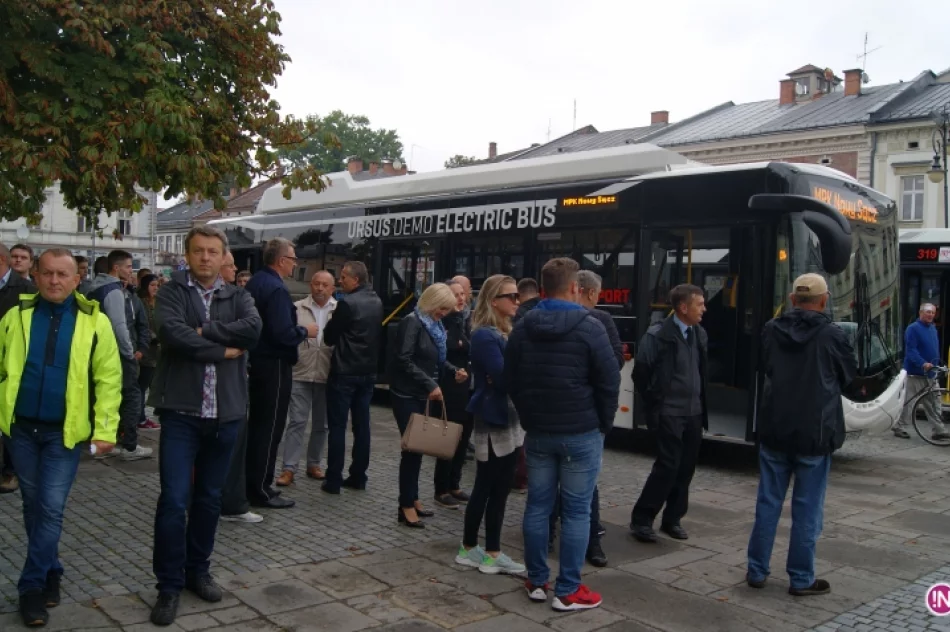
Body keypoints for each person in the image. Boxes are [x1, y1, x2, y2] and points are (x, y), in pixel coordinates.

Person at [147, 226, 262, 626]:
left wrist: (204, 332)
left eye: (213, 251)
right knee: (175, 500)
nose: (206, 258)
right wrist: (220, 350)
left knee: (210, 499)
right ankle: (168, 585)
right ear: (188, 254)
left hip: (226, 413)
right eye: (198, 251)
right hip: (181, 413)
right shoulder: (172, 291)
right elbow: (170, 333)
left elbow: (253, 330)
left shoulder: (239, 294)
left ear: (223, 256)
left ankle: (199, 570)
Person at [0, 249, 121, 627]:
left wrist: (105, 430)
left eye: (62, 275)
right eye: (48, 273)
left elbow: (109, 380)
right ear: (35, 275)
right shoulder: (14, 317)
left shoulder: (95, 322)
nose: (54, 281)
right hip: (21, 429)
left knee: (49, 508)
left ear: (75, 279)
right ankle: (51, 568)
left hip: (62, 435)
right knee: (33, 506)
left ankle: (31, 586)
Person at [505, 257, 619, 612]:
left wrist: (529, 415)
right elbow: (609, 381)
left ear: (541, 288)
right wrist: (603, 423)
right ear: (574, 287)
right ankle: (568, 590)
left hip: (538, 431)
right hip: (581, 432)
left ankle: (537, 580)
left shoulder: (523, 326)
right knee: (576, 511)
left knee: (537, 506)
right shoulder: (592, 326)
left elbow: (512, 379)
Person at [746, 274, 856, 597]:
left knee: (767, 503)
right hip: (815, 432)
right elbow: (849, 377)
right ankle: (801, 577)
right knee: (808, 508)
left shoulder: (771, 329)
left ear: (793, 299)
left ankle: (756, 570)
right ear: (824, 301)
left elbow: (765, 366)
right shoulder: (832, 335)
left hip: (775, 428)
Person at [546, 269, 623, 568]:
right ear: (588, 291)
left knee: (582, 485)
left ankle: (591, 540)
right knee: (563, 485)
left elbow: (614, 361)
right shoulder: (553, 318)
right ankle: (560, 536)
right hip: (569, 415)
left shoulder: (601, 321)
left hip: (583, 415)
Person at [455, 274, 526, 575]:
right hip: (495, 416)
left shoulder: (501, 332)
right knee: (493, 486)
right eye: (511, 296)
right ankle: (489, 553)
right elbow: (505, 379)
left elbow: (505, 376)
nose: (517, 301)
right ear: (494, 300)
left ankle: (471, 548)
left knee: (491, 485)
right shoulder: (486, 335)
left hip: (504, 414)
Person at [630, 284, 708, 544]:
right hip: (669, 413)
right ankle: (642, 519)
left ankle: (673, 519)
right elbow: (641, 373)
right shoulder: (657, 335)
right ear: (683, 308)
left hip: (693, 413)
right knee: (667, 466)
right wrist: (656, 405)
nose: (704, 309)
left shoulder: (699, 334)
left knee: (686, 468)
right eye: (700, 304)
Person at [244, 238, 317, 509]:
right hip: (273, 364)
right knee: (270, 427)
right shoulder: (275, 289)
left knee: (262, 426)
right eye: (293, 258)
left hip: (261, 362)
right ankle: (259, 488)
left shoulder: (257, 282)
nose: (295, 263)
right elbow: (281, 333)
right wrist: (304, 331)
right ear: (281, 260)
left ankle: (257, 483)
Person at [389, 283, 466, 527]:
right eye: (442, 308)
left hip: (423, 393)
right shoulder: (413, 322)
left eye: (447, 309)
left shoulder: (434, 325)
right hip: (408, 394)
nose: (444, 313)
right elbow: (403, 359)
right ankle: (406, 505)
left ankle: (412, 497)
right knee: (411, 450)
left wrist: (453, 371)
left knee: (419, 448)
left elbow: (436, 359)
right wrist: (430, 383)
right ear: (432, 303)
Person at [321, 261, 383, 494]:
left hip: (344, 371)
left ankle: (333, 479)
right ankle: (358, 476)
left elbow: (329, 337)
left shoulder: (347, 303)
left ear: (356, 280)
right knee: (362, 426)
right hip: (367, 372)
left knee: (337, 427)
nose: (340, 280)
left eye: (344, 277)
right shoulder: (376, 301)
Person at [87, 250, 152, 460]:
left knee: (106, 397)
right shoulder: (113, 291)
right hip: (117, 354)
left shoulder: (94, 288)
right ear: (116, 268)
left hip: (100, 352)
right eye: (127, 267)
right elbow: (119, 325)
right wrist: (130, 352)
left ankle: (102, 444)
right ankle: (130, 446)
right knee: (131, 397)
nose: (130, 271)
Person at [277, 271, 337, 486]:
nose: (320, 288)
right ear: (310, 285)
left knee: (322, 425)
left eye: (325, 285)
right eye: (316, 283)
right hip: (300, 372)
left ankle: (314, 463)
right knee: (296, 422)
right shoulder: (297, 307)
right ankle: (289, 468)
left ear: (332, 288)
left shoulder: (338, 310)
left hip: (326, 373)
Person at [432, 279, 473, 509]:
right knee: (447, 436)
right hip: (449, 384)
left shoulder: (466, 318)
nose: (461, 298)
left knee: (464, 435)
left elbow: (468, 345)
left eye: (462, 294)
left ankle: (455, 484)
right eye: (455, 294)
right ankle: (441, 488)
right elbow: (445, 349)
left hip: (467, 385)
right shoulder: (442, 321)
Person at [0, 243, 37, 494]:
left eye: (23, 257)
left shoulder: (26, 290)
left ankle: (10, 470)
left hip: (13, 366)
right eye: (16, 256)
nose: (18, 260)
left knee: (10, 422)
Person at [895, 303, 948, 440]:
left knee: (934, 402)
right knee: (909, 402)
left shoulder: (932, 328)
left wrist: (938, 365)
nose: (931, 315)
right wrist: (922, 363)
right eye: (928, 312)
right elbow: (911, 351)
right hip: (915, 373)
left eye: (933, 312)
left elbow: (933, 349)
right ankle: (899, 426)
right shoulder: (913, 329)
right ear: (921, 313)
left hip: (931, 373)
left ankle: (938, 430)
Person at [136, 274, 161, 430]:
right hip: (146, 351)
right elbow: (143, 326)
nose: (155, 288)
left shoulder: (157, 303)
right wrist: (154, 337)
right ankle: (140, 418)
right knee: (141, 386)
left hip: (157, 352)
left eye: (157, 285)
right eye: (152, 285)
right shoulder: (141, 303)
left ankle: (143, 416)